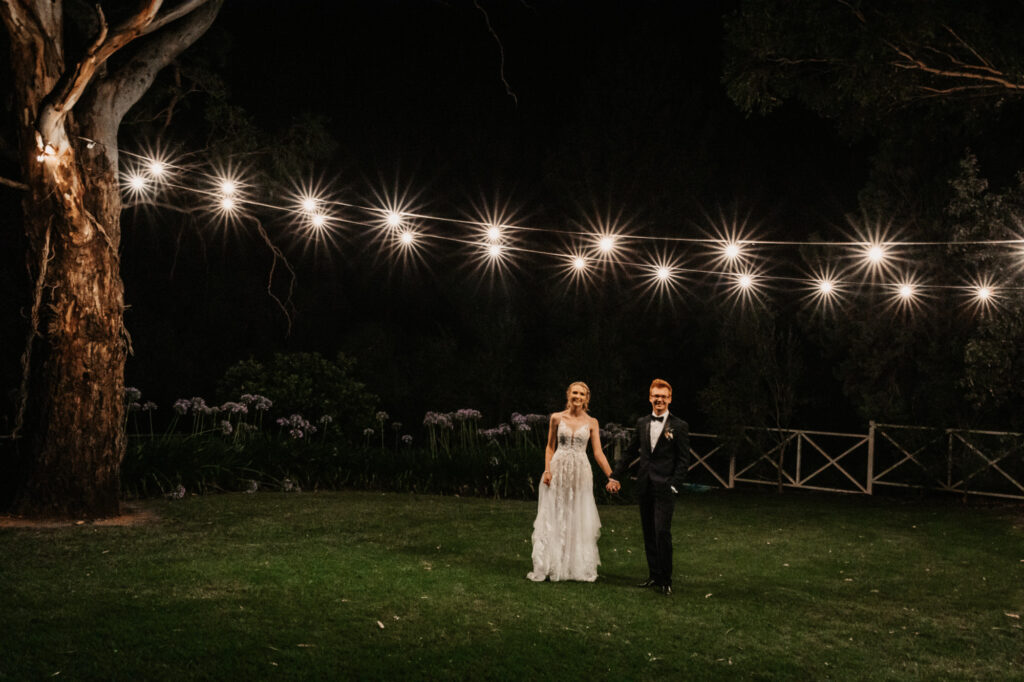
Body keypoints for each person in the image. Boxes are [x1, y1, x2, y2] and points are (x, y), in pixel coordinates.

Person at [606, 378, 690, 595]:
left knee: (662, 532)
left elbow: (683, 460)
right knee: (649, 533)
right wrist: (615, 475)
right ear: (650, 397)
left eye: (663, 396)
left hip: (665, 487)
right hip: (644, 485)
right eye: (656, 396)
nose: (659, 400)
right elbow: (630, 452)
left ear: (669, 399)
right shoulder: (642, 423)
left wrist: (674, 485)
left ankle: (666, 579)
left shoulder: (679, 426)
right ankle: (654, 575)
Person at [527, 381, 616, 582]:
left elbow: (598, 452)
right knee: (555, 513)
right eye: (575, 393)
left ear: (587, 398)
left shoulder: (592, 422)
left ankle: (574, 566)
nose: (578, 396)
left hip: (580, 472)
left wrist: (612, 475)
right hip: (558, 469)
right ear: (568, 395)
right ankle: (552, 564)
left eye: (582, 394)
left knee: (577, 513)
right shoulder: (557, 418)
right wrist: (547, 470)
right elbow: (550, 447)